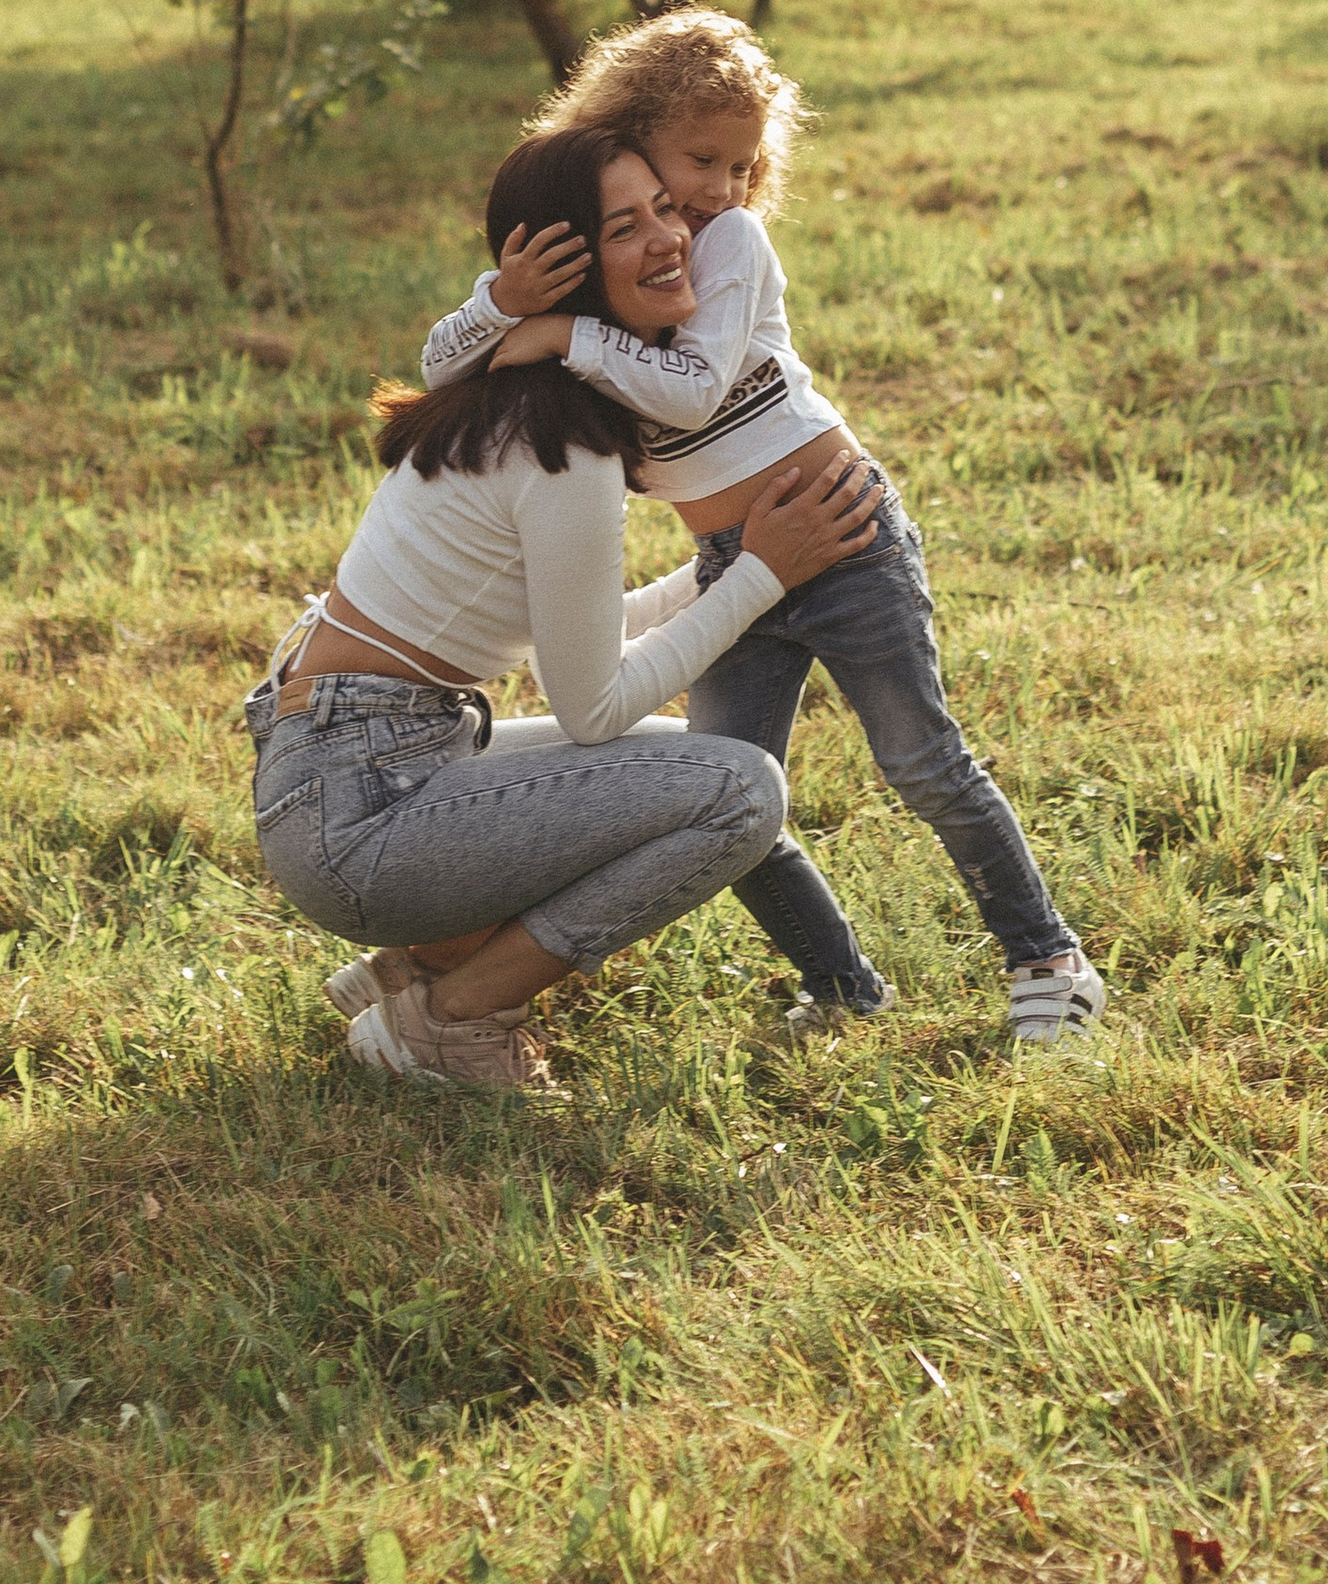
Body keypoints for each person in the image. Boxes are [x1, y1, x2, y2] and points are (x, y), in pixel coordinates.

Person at [419, 7, 1106, 1048]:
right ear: (629, 135)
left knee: (921, 761)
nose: (718, 189)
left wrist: (559, 334)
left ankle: (1048, 958)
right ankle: (842, 988)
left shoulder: (729, 245)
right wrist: (499, 303)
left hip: (842, 542)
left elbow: (692, 392)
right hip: (733, 569)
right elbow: (442, 370)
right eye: (700, 158)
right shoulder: (607, 266)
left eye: (742, 166)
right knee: (726, 795)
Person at [245, 123, 878, 1093]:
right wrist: (760, 575)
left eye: (666, 208)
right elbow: (589, 703)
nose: (671, 237)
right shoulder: (562, 448)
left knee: (667, 765)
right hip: (361, 805)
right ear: (575, 273)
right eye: (624, 229)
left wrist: (728, 572)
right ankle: (451, 1019)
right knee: (738, 790)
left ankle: (422, 963)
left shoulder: (523, 402)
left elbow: (572, 620)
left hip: (355, 758)